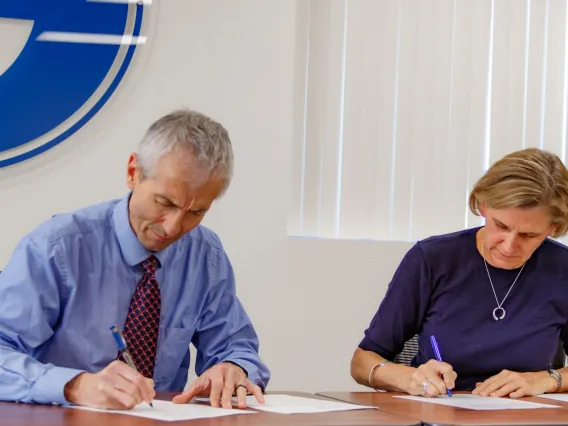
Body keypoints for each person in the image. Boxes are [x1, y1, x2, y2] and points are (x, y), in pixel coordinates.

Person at [0, 109, 270, 410]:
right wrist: (74, 385)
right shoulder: (56, 247)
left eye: (196, 212)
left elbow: (236, 344)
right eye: (165, 202)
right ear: (133, 173)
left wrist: (234, 368)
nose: (173, 228)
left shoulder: (205, 254)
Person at [351, 147, 568, 399]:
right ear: (483, 206)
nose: (509, 246)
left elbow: (553, 379)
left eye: (528, 235)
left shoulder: (562, 268)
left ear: (553, 227)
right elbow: (361, 362)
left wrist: (548, 379)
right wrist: (408, 378)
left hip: (526, 416)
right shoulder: (432, 259)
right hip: (438, 412)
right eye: (501, 226)